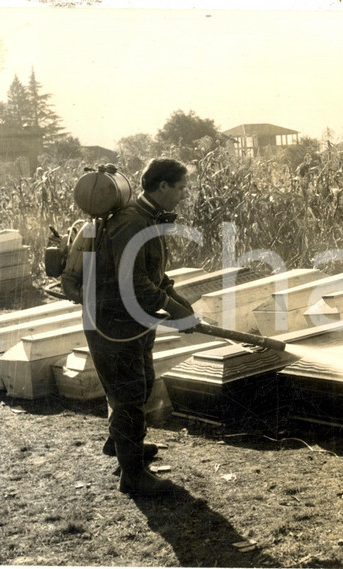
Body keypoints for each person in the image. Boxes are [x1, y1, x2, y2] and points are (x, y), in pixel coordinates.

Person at [83, 158, 199, 495]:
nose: (182, 195)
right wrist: (175, 311)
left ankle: (121, 443)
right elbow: (135, 284)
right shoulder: (132, 223)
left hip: (130, 319)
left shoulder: (147, 219)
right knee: (129, 392)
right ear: (162, 187)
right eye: (179, 188)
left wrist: (181, 304)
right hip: (112, 322)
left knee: (140, 382)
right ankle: (132, 475)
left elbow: (156, 277)